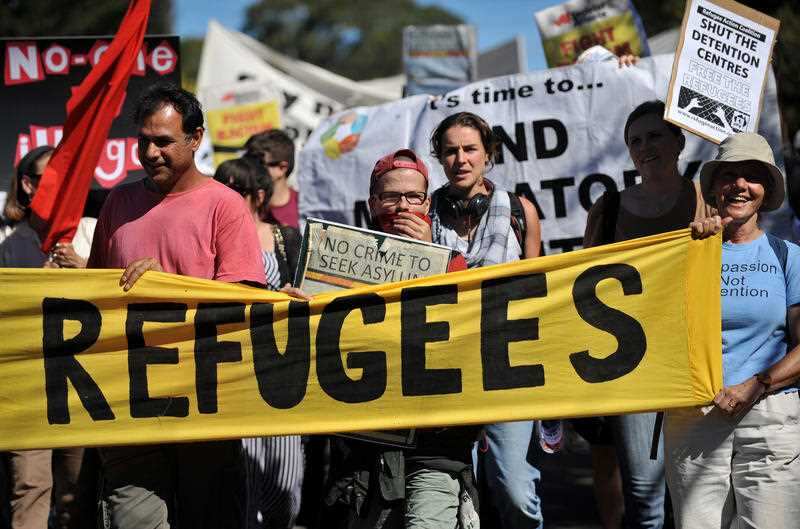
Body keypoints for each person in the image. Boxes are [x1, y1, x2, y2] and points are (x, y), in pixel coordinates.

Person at [87, 83, 265, 529]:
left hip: (205, 402)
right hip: (129, 402)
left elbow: (240, 303)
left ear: (196, 138)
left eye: (163, 141)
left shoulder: (225, 207)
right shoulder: (118, 203)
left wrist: (166, 287)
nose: (150, 152)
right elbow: (92, 296)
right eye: (143, 140)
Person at [581, 99, 714, 529]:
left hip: (697, 361)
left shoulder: (707, 201)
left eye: (655, 135)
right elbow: (584, 286)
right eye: (635, 140)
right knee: (644, 492)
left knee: (696, 487)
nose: (645, 146)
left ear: (679, 140)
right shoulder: (609, 210)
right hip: (633, 365)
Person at [324, 149, 473, 529]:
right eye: (391, 196)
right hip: (365, 443)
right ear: (373, 203)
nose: (402, 206)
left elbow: (465, 329)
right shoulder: (342, 258)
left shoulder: (453, 263)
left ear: (427, 202)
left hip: (435, 443)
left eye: (413, 197)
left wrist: (430, 258)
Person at [665, 132, 800, 529]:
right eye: (729, 175)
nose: (740, 184)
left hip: (771, 415)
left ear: (767, 189)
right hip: (694, 417)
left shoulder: (789, 257)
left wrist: (759, 384)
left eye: (752, 176)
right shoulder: (681, 254)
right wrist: (691, 253)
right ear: (714, 188)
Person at [427, 111, 542, 528]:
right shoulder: (425, 213)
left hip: (507, 367)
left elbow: (537, 290)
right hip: (444, 370)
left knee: (514, 489)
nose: (460, 159)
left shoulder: (520, 210)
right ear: (439, 158)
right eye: (450, 151)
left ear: (488, 154)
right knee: (457, 492)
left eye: (470, 149)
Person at [213, 156, 304, 528]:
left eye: (238, 190)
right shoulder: (209, 240)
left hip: (281, 369)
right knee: (245, 484)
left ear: (259, 195)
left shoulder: (285, 238)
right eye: (223, 189)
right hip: (235, 371)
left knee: (286, 487)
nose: (229, 197)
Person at [0, 145, 88, 529]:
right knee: (30, 487)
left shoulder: (91, 234)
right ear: (28, 185)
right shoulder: (9, 246)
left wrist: (85, 269)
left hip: (86, 389)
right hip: (27, 392)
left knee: (77, 493)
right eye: (52, 179)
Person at [244, 129, 300, 228]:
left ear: (282, 168)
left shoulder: (305, 210)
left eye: (259, 164)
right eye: (247, 162)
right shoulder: (242, 203)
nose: (250, 169)